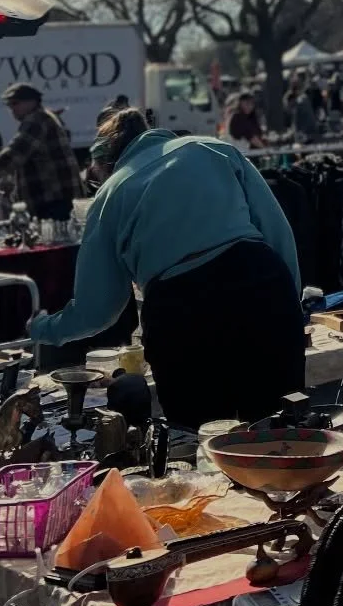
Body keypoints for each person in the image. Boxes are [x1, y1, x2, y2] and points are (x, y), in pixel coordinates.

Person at [30, 107, 305, 430]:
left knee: (197, 440)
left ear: (106, 163)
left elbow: (97, 310)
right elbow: (278, 233)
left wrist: (42, 328)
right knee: (282, 433)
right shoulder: (212, 148)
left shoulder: (110, 194)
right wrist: (292, 302)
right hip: (262, 285)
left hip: (181, 311)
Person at [0, 83, 82, 222]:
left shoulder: (37, 121)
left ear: (32, 101)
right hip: (55, 197)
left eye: (15, 103)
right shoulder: (44, 117)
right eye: (9, 105)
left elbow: (12, 156)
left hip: (53, 199)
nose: (12, 109)